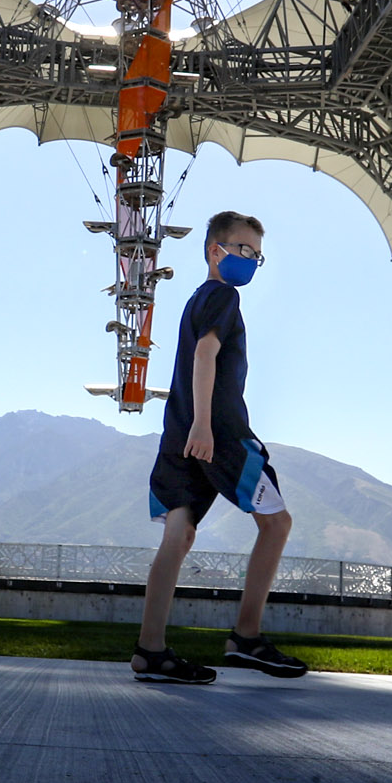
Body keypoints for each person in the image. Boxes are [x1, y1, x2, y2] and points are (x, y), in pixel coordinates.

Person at [131, 211, 307, 683]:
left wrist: (192, 427)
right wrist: (206, 426)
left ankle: (150, 651)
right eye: (242, 249)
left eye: (256, 254)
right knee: (277, 524)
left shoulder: (196, 300)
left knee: (179, 535)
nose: (249, 259)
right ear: (216, 251)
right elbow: (206, 355)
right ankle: (246, 638)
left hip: (178, 433)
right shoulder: (222, 295)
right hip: (221, 436)